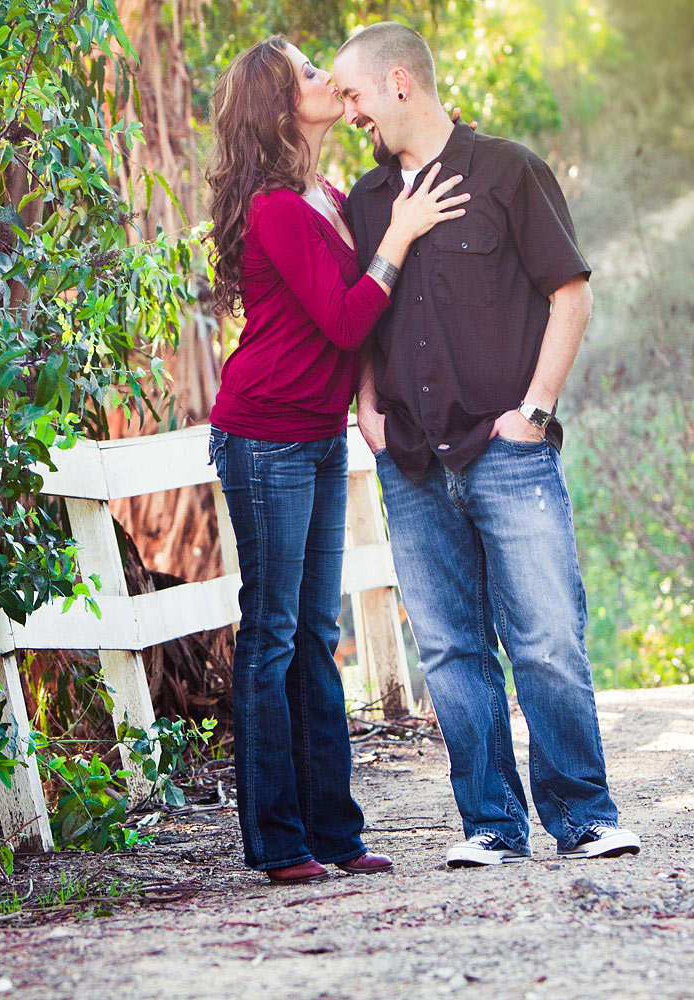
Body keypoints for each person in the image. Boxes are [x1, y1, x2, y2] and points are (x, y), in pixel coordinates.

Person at [331, 22, 641, 867]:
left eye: (354, 94)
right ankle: (491, 827)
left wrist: (533, 412)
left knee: (545, 637)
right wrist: (369, 411)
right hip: (413, 462)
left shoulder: (509, 171)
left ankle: (585, 817)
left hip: (509, 452)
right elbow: (361, 315)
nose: (350, 111)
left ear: (401, 82)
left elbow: (570, 296)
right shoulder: (364, 204)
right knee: (451, 651)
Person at [205, 35, 469, 884]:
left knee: (316, 634)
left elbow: (350, 334)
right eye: (313, 76)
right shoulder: (277, 209)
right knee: (273, 634)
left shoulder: (319, 193)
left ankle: (336, 834)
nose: (331, 84)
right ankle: (277, 841)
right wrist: (396, 236)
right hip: (264, 435)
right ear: (282, 104)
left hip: (314, 437)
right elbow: (349, 319)